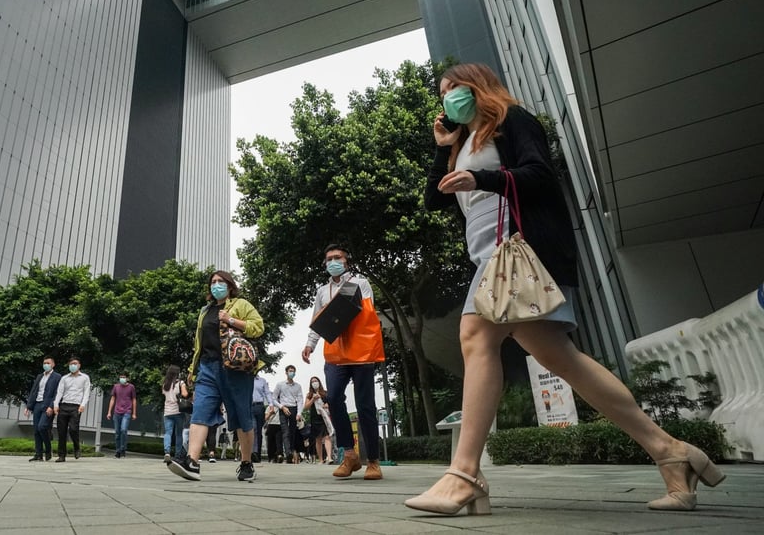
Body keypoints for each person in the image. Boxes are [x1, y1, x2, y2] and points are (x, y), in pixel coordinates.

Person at [409, 62, 726, 515]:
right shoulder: (463, 143)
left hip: (520, 252)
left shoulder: (513, 122)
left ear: (478, 86)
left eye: (454, 88)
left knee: (475, 337)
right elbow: (434, 198)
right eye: (442, 93)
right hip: (490, 258)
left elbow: (540, 175)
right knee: (562, 359)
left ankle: (464, 475)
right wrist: (444, 150)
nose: (447, 98)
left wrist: (484, 178)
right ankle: (671, 451)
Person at [167, 270, 265, 482]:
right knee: (200, 411)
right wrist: (193, 370)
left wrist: (232, 320)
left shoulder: (241, 304)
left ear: (230, 286)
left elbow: (258, 327)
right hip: (207, 368)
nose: (216, 285)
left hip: (235, 369)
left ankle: (246, 463)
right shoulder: (205, 311)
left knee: (241, 416)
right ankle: (192, 462)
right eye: (213, 282)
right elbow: (198, 343)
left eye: (221, 281)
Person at [302, 244, 385, 480]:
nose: (333, 262)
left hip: (360, 353)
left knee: (365, 404)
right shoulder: (321, 291)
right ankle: (349, 455)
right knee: (335, 398)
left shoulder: (360, 283)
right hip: (336, 354)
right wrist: (310, 344)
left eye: (337, 257)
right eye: (328, 259)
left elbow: (366, 313)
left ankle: (373, 461)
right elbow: (318, 320)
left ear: (347, 261)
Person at [52, 357, 91, 462]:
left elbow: (86, 392)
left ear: (79, 365)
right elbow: (59, 392)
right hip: (64, 405)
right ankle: (61, 455)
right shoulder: (64, 378)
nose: (73, 366)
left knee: (73, 429)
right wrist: (56, 405)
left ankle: (76, 447)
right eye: (71, 364)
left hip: (76, 406)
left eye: (75, 363)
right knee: (61, 431)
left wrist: (83, 405)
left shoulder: (85, 377)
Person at [24, 356, 62, 461]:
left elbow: (57, 393)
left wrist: (52, 406)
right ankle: (38, 454)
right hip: (37, 404)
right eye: (44, 363)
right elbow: (33, 391)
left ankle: (48, 449)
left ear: (53, 364)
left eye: (48, 363)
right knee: (36, 430)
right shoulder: (39, 376)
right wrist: (28, 406)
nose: (46, 365)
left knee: (42, 427)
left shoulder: (57, 377)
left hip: (48, 405)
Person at [272, 365, 303, 464]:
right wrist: (281, 407)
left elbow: (300, 400)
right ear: (286, 372)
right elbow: (274, 398)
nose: (292, 373)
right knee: (285, 431)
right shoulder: (280, 385)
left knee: (292, 432)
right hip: (283, 408)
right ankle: (288, 453)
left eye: (293, 371)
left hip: (294, 408)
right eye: (290, 371)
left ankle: (291, 449)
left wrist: (299, 413)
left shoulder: (298, 386)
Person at [303, 376, 335, 464]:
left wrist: (328, 404)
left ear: (319, 382)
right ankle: (320, 459)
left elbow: (331, 402)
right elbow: (306, 407)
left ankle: (329, 457)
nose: (314, 383)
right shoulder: (309, 395)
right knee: (318, 438)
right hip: (315, 418)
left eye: (316, 381)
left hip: (325, 417)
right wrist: (313, 399)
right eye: (312, 382)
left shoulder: (325, 393)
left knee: (327, 436)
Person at [106, 371, 137, 458]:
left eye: (124, 377)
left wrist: (134, 413)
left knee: (123, 430)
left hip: (127, 411)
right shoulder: (116, 387)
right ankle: (118, 450)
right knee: (117, 433)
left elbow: (134, 399)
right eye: (121, 377)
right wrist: (109, 412)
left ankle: (123, 448)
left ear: (127, 378)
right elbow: (113, 399)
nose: (122, 379)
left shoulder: (131, 387)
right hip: (117, 412)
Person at [162, 364, 189, 462]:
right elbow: (185, 394)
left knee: (168, 433)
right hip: (178, 412)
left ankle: (167, 452)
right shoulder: (180, 383)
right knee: (178, 434)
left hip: (167, 412)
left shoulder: (165, 384)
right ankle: (177, 455)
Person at [251, 371, 275, 463]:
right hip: (249, 406)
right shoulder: (246, 379)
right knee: (253, 429)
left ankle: (257, 453)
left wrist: (271, 404)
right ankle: (252, 452)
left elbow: (267, 393)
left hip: (259, 406)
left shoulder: (262, 381)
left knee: (258, 431)